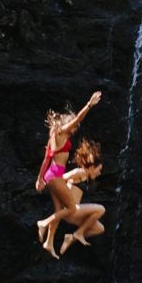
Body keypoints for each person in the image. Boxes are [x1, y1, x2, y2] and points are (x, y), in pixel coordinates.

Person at [35, 92, 101, 254]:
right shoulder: (61, 132)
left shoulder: (53, 136)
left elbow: (46, 159)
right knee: (71, 208)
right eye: (72, 127)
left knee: (60, 210)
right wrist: (89, 105)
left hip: (51, 173)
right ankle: (43, 223)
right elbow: (78, 118)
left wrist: (40, 180)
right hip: (56, 175)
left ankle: (49, 242)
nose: (73, 130)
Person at [38, 139, 106, 259]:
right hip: (71, 210)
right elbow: (59, 180)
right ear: (91, 166)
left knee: (99, 228)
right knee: (100, 209)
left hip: (74, 213)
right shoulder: (79, 172)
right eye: (98, 169)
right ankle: (78, 233)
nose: (99, 173)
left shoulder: (85, 176)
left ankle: (72, 237)